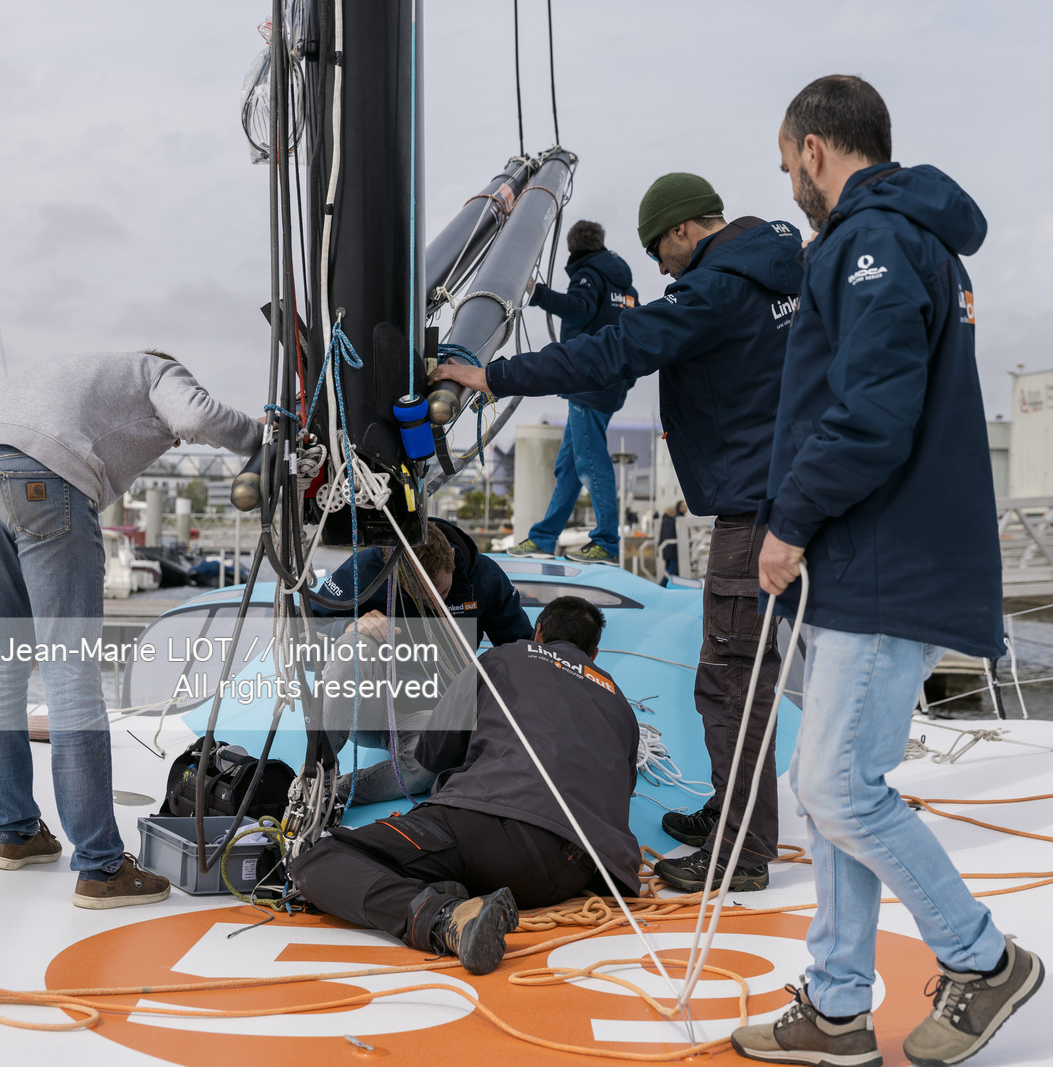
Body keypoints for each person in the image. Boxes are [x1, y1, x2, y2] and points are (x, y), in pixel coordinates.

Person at [732, 76, 1043, 1067]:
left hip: (876, 554)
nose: (790, 185)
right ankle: (833, 1009)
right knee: (825, 789)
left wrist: (786, 522)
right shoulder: (904, 239)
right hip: (864, 554)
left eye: (787, 167)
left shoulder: (873, 244)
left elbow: (869, 413)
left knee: (833, 781)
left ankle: (980, 958)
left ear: (815, 148)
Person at [432, 173, 801, 894]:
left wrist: (491, 375)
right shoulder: (792, 263)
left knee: (729, 680)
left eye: (661, 251)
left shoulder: (717, 290)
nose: (661, 269)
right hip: (791, 494)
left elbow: (615, 349)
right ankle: (735, 813)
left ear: (684, 229)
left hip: (753, 505)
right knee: (738, 674)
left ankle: (741, 850)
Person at [0, 349, 262, 908]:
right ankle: (101, 868)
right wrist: (258, 438)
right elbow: (193, 417)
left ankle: (15, 834)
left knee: (3, 660)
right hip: (41, 473)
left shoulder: (74, 374)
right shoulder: (156, 370)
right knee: (70, 671)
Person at [292, 596, 640, 975]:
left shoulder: (506, 657)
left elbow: (431, 751)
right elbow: (624, 785)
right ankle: (452, 892)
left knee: (319, 860)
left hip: (492, 827)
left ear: (538, 633)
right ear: (595, 652)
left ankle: (446, 918)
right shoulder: (620, 701)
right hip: (578, 869)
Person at [309, 517, 533, 804]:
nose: (433, 603)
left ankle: (338, 793)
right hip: (367, 703)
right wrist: (347, 628)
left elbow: (519, 648)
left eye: (440, 592)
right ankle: (317, 774)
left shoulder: (484, 577)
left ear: (451, 557)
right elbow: (302, 637)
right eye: (420, 598)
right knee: (353, 645)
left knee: (427, 771)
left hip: (429, 711)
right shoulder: (364, 570)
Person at [508, 220, 639, 564]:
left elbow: (579, 309)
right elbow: (633, 332)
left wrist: (537, 294)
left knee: (590, 462)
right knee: (569, 466)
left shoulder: (588, 275)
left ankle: (607, 542)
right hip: (612, 383)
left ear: (573, 248)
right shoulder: (624, 285)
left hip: (587, 382)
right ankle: (543, 537)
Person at [658, 499, 686, 584]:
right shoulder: (677, 518)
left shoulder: (671, 518)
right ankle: (660, 587)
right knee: (670, 572)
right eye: (683, 506)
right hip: (673, 550)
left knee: (672, 572)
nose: (686, 508)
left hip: (669, 549)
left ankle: (667, 588)